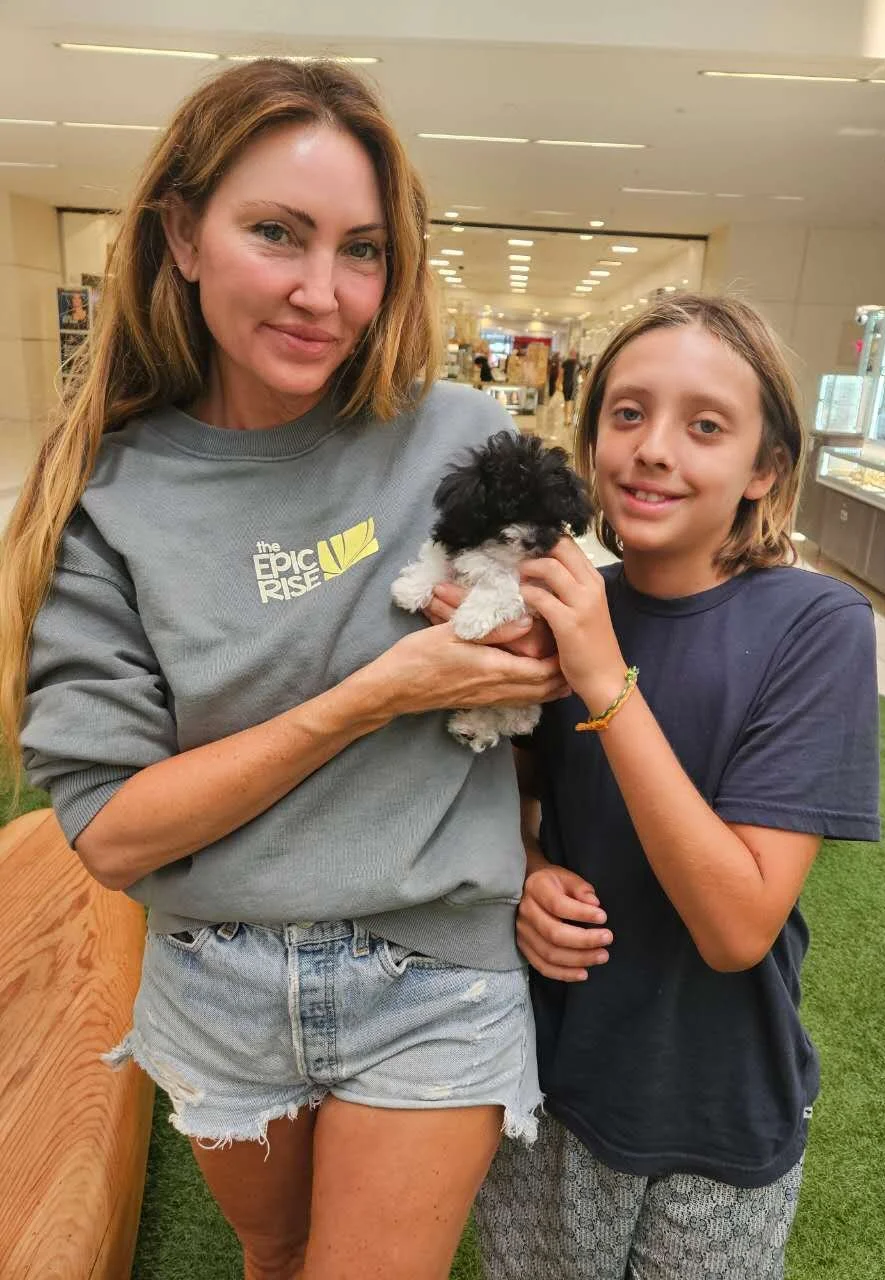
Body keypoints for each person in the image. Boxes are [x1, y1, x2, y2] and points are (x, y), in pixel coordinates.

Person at [0, 59, 565, 1280]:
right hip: (218, 978)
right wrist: (379, 695)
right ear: (182, 238)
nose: (325, 292)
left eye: (362, 249)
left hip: (436, 968)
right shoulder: (110, 497)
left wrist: (542, 819)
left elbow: (576, 667)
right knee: (276, 1254)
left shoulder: (465, 440)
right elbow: (111, 829)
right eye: (277, 233)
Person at [432, 295, 881, 1279]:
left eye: (706, 425)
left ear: (766, 467)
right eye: (627, 414)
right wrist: (531, 868)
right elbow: (504, 785)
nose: (654, 449)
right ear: (590, 441)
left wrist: (601, 675)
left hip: (720, 1101)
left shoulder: (817, 627)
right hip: (558, 1079)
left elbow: (737, 922)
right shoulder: (559, 603)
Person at [561, 349, 579, 427]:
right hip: (573, 385)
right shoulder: (577, 363)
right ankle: (569, 419)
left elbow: (561, 374)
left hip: (567, 384)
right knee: (571, 402)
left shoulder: (565, 363)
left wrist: (558, 382)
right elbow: (583, 373)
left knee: (566, 401)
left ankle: (567, 419)